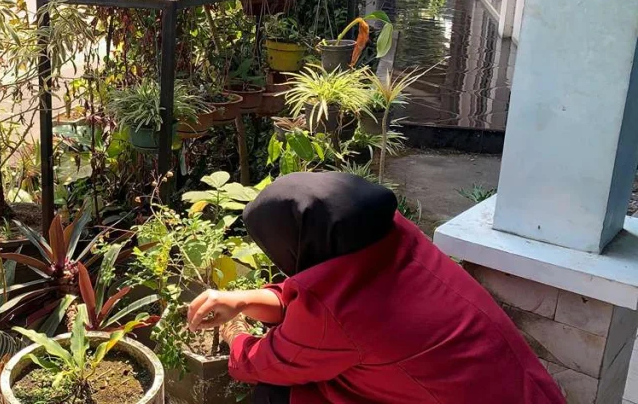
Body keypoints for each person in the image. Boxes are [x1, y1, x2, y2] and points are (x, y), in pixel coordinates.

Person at [187, 172, 565, 404]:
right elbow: (311, 298)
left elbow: (258, 362)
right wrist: (239, 300)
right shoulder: (391, 241)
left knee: (278, 392)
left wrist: (233, 329)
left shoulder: (339, 315)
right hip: (527, 390)